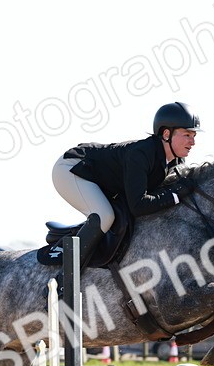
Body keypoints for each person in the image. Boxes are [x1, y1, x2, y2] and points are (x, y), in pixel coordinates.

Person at [50, 101, 200, 270]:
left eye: (194, 135)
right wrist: (175, 195)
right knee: (105, 215)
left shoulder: (176, 160)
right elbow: (138, 205)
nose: (193, 142)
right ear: (166, 134)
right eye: (187, 135)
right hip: (71, 169)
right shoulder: (141, 154)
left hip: (95, 176)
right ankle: (65, 280)